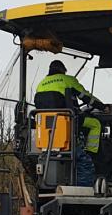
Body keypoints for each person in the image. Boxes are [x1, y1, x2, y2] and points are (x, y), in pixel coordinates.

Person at [34, 60, 103, 188]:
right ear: (62, 70)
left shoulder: (41, 84)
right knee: (95, 124)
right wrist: (103, 107)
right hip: (68, 121)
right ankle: (91, 153)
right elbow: (87, 97)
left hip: (47, 131)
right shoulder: (68, 80)